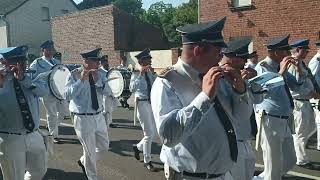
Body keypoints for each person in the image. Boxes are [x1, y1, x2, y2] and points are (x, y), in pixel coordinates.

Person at [151, 17, 246, 180]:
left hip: (224, 174)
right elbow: (168, 136)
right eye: (218, 52)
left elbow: (241, 117)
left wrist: (240, 92)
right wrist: (204, 98)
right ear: (198, 50)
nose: (221, 58)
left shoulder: (218, 76)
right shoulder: (167, 82)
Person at [253, 35, 298, 180]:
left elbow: (298, 85)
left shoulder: (281, 66)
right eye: (286, 51)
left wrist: (299, 69)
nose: (288, 55)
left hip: (284, 120)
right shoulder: (262, 67)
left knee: (290, 160)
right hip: (269, 119)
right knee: (273, 165)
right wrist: (281, 73)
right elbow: (263, 90)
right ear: (277, 52)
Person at [0, 46, 48, 180]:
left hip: (34, 134)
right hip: (11, 137)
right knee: (14, 176)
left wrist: (23, 79)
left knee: (39, 170)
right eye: (16, 61)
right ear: (5, 62)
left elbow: (43, 92)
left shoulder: (31, 76)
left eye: (23, 61)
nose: (21, 65)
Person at [220, 37, 263, 180]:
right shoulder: (220, 77)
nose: (245, 63)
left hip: (245, 137)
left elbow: (258, 100)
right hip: (232, 140)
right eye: (243, 59)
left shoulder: (241, 75)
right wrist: (239, 85)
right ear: (232, 59)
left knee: (248, 176)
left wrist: (253, 82)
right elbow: (231, 110)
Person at [65, 48, 111, 180]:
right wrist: (81, 80)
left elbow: (108, 93)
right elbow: (67, 95)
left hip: (98, 115)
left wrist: (98, 81)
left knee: (104, 147)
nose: (98, 64)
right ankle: (92, 177)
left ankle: (84, 161)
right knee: (90, 151)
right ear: (86, 62)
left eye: (98, 61)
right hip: (83, 117)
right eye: (95, 61)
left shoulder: (101, 74)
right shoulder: (74, 74)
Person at [29, 40, 68, 144]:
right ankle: (53, 135)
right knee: (52, 114)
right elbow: (31, 77)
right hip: (46, 92)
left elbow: (62, 74)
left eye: (52, 49)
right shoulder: (37, 62)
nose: (51, 51)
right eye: (49, 49)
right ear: (43, 50)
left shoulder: (56, 62)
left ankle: (51, 126)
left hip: (58, 91)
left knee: (64, 111)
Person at [287, 39, 318, 169]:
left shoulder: (301, 63)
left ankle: (298, 154)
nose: (306, 53)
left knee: (308, 129)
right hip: (299, 102)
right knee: (300, 132)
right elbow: (294, 87)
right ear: (297, 50)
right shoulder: (293, 64)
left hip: (305, 102)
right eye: (304, 51)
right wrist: (310, 93)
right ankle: (301, 159)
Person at [130, 48, 157, 172]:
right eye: (148, 59)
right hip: (142, 104)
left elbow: (155, 85)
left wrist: (154, 74)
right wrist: (140, 75)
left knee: (153, 133)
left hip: (151, 103)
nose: (150, 61)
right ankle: (148, 161)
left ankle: (138, 147)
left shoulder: (150, 72)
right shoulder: (136, 73)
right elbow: (132, 88)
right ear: (142, 61)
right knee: (148, 134)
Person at [308, 40, 320, 152]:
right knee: (319, 120)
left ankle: (306, 139)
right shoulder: (316, 61)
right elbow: (310, 77)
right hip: (317, 94)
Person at [100, 55, 117, 128]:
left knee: (110, 109)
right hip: (104, 94)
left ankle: (110, 122)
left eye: (107, 61)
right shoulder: (100, 71)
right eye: (104, 62)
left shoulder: (109, 70)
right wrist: (108, 73)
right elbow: (102, 81)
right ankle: (105, 123)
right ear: (101, 63)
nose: (106, 63)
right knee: (105, 110)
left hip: (111, 93)